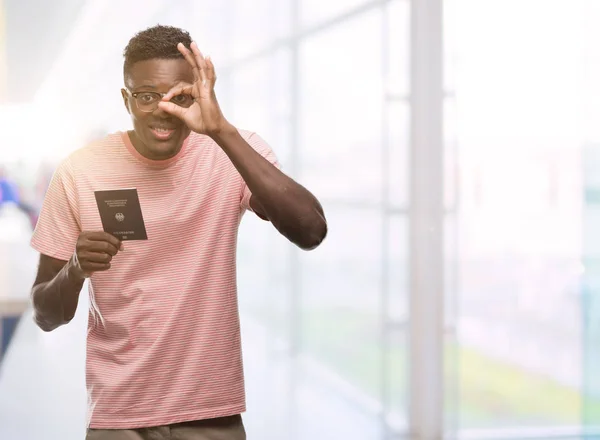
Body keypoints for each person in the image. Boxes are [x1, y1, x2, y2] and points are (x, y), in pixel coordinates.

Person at [29, 25, 327, 440]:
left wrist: (221, 130)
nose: (163, 110)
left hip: (212, 414)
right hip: (119, 415)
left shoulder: (230, 153)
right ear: (126, 98)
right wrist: (76, 269)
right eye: (147, 96)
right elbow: (46, 315)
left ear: (198, 94)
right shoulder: (80, 171)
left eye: (180, 97)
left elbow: (310, 230)